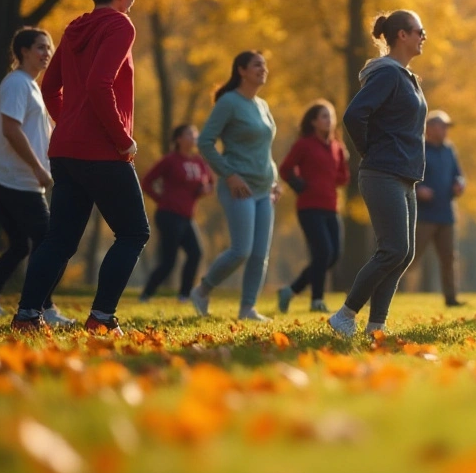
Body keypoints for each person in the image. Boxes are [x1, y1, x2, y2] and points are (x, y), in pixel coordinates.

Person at [12, 0, 151, 335]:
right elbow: (98, 84)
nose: (133, 1)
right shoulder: (120, 25)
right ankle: (102, 318)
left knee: (59, 240)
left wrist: (70, 121)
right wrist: (123, 140)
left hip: (65, 150)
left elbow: (49, 88)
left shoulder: (74, 27)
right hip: (102, 150)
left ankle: (26, 316)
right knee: (134, 233)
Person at [328, 11, 429, 337]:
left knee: (405, 252)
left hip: (404, 174)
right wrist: (370, 150)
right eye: (419, 31)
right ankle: (345, 314)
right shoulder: (387, 74)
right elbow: (355, 115)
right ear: (402, 35)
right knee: (393, 249)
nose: (423, 36)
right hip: (382, 171)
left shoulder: (406, 77)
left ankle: (376, 325)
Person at [0, 28, 73, 325]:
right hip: (16, 182)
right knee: (54, 244)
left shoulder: (30, 86)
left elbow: (39, 132)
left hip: (9, 181)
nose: (47, 54)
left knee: (20, 246)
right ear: (23, 51)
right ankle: (45, 307)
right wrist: (39, 169)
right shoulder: (17, 84)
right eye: (41, 48)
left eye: (49, 48)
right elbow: (11, 130)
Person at [188, 51, 280, 322]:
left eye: (264, 65)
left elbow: (265, 149)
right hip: (239, 187)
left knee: (260, 254)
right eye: (256, 65)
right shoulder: (229, 102)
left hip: (265, 189)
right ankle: (203, 290)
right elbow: (205, 142)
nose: (263, 69)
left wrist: (275, 180)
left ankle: (247, 308)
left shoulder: (262, 105)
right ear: (241, 70)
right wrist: (228, 174)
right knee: (242, 250)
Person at [277, 99, 350, 313]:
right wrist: (299, 185)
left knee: (333, 255)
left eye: (331, 116)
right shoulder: (304, 144)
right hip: (309, 206)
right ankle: (317, 300)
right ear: (314, 121)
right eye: (324, 116)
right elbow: (285, 169)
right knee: (323, 252)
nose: (330, 120)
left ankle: (290, 290)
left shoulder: (337, 147)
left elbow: (342, 180)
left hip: (330, 206)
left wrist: (344, 161)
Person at [138, 125, 213, 302]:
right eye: (189, 134)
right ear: (178, 139)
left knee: (196, 253)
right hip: (169, 215)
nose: (194, 137)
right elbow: (147, 182)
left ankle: (184, 295)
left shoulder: (199, 162)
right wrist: (161, 200)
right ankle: (146, 294)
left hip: (187, 217)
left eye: (195, 134)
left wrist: (206, 189)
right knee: (169, 261)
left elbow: (209, 183)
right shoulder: (170, 160)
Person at [404, 109, 467, 308]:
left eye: (447, 127)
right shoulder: (419, 148)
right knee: (409, 257)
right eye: (443, 126)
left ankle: (451, 298)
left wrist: (460, 184)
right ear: (430, 128)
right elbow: (407, 177)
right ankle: (383, 292)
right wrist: (419, 189)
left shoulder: (450, 149)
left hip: (446, 214)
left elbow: (459, 175)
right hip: (423, 215)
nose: (446, 130)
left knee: (449, 258)